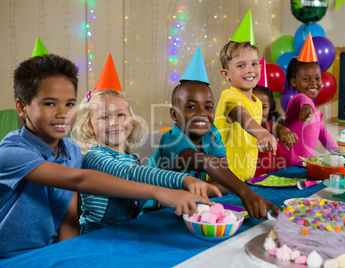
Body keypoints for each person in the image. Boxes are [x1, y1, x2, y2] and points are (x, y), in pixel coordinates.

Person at [0, 53, 219, 258]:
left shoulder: (71, 151)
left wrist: (68, 255)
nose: (62, 113)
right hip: (15, 256)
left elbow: (69, 218)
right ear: (21, 107)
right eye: (49, 103)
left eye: (69, 104)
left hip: (56, 251)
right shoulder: (12, 151)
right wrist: (169, 188)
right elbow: (82, 179)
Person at [147, 47, 280, 219]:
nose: (202, 112)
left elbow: (221, 178)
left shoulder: (213, 134)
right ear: (174, 114)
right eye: (191, 107)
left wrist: (197, 192)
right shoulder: (172, 140)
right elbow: (206, 162)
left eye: (208, 107)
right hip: (154, 211)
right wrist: (245, 193)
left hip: (185, 206)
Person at [214, 41, 277, 181]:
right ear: (226, 74)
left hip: (245, 176)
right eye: (241, 65)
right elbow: (242, 115)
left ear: (260, 67)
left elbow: (248, 135)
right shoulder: (229, 96)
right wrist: (262, 134)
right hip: (222, 177)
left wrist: (262, 142)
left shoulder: (258, 103)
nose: (250, 70)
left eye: (254, 64)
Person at [280, 33, 337, 167]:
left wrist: (339, 155)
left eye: (317, 78)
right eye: (306, 79)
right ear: (294, 82)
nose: (313, 83)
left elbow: (325, 136)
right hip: (286, 164)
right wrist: (307, 109)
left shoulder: (315, 114)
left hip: (301, 166)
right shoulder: (298, 100)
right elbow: (304, 102)